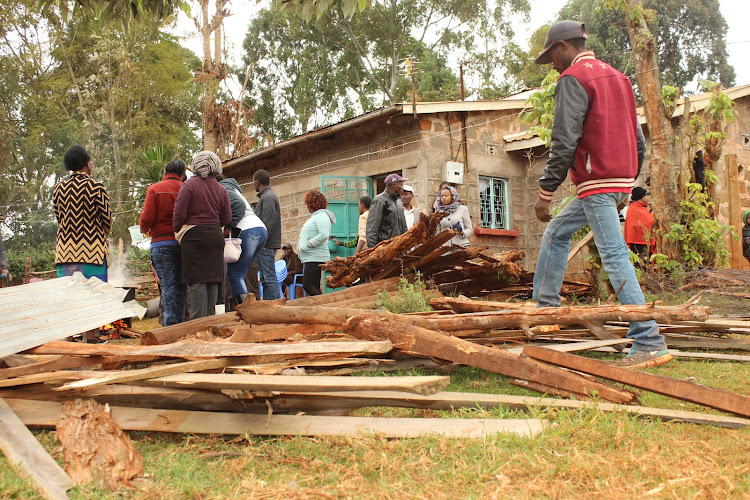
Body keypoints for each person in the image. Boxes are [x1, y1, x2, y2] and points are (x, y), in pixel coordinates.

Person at [532, 20, 670, 369]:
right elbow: (638, 137)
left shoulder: (573, 79)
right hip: (615, 181)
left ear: (564, 46)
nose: (552, 64)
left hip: (596, 184)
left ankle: (648, 339)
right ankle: (545, 310)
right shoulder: (619, 79)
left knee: (613, 255)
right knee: (557, 233)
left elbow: (565, 138)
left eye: (551, 56)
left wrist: (546, 191)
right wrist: (628, 181)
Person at [173, 151, 231, 320]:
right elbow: (227, 217)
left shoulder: (189, 186)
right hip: (214, 236)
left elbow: (179, 214)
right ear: (215, 167)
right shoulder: (221, 189)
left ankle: (197, 326)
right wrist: (212, 226)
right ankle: (210, 323)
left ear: (196, 166)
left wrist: (178, 230)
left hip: (194, 238)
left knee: (197, 283)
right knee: (213, 281)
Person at [139, 157, 188, 326]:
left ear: (165, 172)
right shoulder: (186, 189)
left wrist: (144, 228)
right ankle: (180, 322)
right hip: (183, 243)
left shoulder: (154, 189)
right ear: (182, 174)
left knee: (167, 284)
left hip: (161, 243)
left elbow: (146, 219)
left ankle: (170, 324)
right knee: (182, 284)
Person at [54, 145, 112, 282]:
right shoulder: (96, 187)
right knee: (96, 298)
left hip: (65, 255)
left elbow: (59, 218)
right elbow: (107, 221)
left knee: (68, 300)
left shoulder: (59, 188)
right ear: (86, 164)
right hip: (93, 255)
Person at [218, 175, 268, 309]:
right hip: (259, 229)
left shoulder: (222, 188)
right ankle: (242, 309)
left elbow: (238, 206)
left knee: (235, 274)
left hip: (248, 230)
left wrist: (228, 228)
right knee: (238, 273)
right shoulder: (234, 189)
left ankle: (246, 311)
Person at [298, 190, 336, 296]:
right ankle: (322, 306)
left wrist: (310, 244)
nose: (307, 207)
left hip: (315, 257)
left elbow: (324, 234)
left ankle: (324, 306)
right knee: (313, 285)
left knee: (308, 285)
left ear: (311, 204)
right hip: (312, 257)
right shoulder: (317, 216)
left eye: (308, 204)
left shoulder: (321, 216)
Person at [253, 169, 282, 300]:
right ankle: (269, 306)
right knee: (265, 278)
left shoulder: (268, 198)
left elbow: (268, 223)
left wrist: (259, 241)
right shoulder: (267, 197)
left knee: (269, 278)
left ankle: (274, 306)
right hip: (266, 245)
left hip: (266, 245)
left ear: (257, 182)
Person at [366, 173, 408, 248]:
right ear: (394, 185)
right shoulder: (380, 200)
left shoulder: (399, 201)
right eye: (401, 184)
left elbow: (404, 227)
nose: (402, 187)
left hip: (398, 247)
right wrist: (373, 250)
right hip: (385, 248)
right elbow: (372, 228)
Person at [623, 186, 655, 266]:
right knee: (643, 265)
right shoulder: (635, 209)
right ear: (641, 197)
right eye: (646, 195)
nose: (648, 197)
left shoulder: (638, 208)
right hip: (639, 243)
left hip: (641, 242)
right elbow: (648, 223)